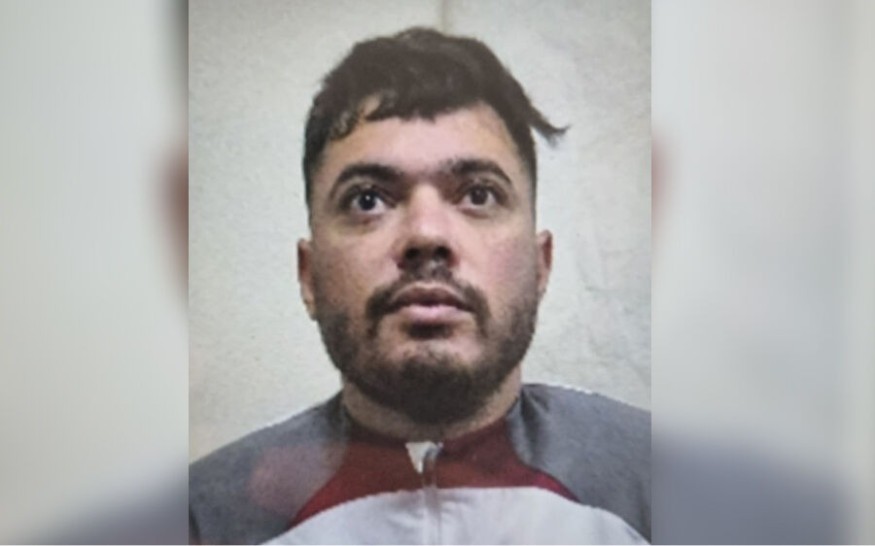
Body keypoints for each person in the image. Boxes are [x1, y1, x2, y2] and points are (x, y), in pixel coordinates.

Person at [189, 27, 649, 545]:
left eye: (478, 194)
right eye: (368, 200)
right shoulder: (202, 520)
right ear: (309, 275)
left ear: (541, 265)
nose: (426, 235)